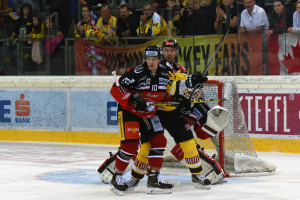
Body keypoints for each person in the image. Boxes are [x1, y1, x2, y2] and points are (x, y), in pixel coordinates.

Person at [108, 45, 173, 195]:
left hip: (148, 113)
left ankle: (153, 180)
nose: (151, 62)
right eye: (149, 59)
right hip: (129, 111)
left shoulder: (166, 73)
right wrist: (133, 97)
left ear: (159, 59)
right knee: (130, 146)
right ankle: (116, 177)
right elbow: (116, 88)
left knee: (159, 141)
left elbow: (171, 90)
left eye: (154, 59)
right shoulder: (138, 72)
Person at [238, 0, 269, 75]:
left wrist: (246, 31)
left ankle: (264, 77)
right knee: (252, 61)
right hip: (250, 42)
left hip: (263, 41)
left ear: (254, 2)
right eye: (245, 3)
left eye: (249, 2)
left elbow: (261, 29)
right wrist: (242, 29)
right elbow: (242, 27)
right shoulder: (243, 12)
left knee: (263, 61)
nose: (247, 5)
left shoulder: (260, 11)